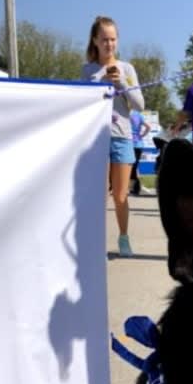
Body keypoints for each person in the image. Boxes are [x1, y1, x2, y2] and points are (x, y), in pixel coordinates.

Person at [81, 16, 145, 258]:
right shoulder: (88, 70)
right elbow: (83, 101)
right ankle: (97, 243)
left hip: (122, 137)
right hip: (96, 138)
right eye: (105, 39)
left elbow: (139, 104)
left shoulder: (127, 69)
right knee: (100, 194)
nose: (109, 44)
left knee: (120, 194)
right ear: (95, 41)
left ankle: (124, 237)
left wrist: (122, 85)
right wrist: (101, 82)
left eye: (113, 39)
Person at [129, 109, 151, 196]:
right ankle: (135, 188)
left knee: (132, 168)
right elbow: (148, 127)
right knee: (134, 167)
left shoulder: (124, 113)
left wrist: (141, 136)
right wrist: (141, 136)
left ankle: (136, 188)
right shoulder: (138, 114)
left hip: (131, 144)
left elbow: (148, 127)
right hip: (137, 144)